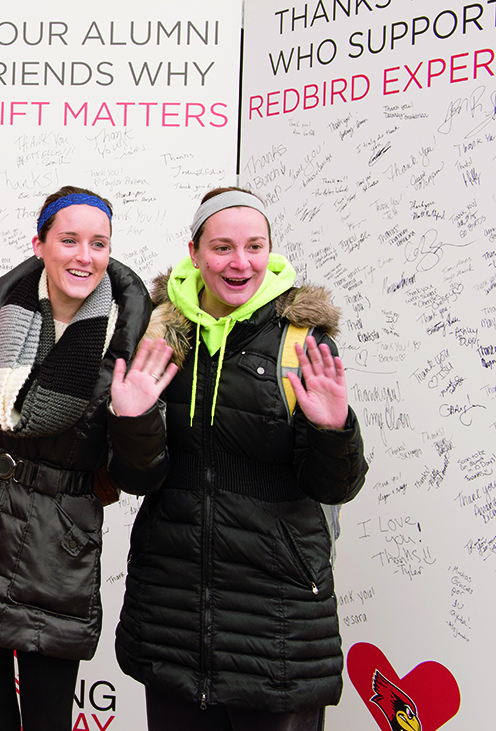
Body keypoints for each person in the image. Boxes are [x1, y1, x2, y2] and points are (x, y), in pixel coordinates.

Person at [0, 186, 176, 731]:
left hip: (58, 549)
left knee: (47, 721)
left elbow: (140, 475)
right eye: (70, 240)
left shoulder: (130, 340)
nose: (85, 255)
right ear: (40, 245)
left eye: (98, 243)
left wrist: (135, 419)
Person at [115, 187, 368, 731]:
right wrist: (132, 421)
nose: (240, 262)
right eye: (223, 247)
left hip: (278, 626)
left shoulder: (301, 340)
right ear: (195, 253)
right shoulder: (163, 336)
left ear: (271, 251)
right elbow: (140, 478)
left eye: (254, 247)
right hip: (174, 618)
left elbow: (334, 486)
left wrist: (332, 430)